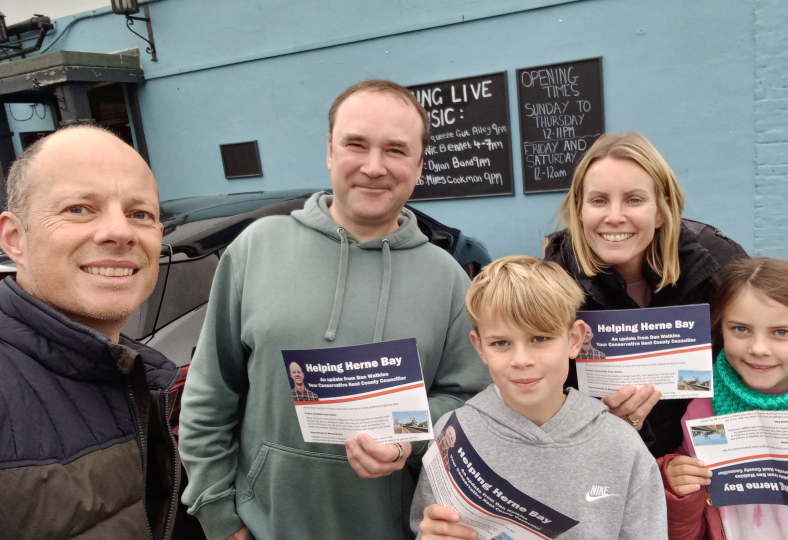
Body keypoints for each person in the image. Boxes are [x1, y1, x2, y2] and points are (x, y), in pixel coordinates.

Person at [178, 80, 491, 540]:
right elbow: (209, 395)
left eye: (396, 150)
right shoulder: (256, 250)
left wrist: (405, 434)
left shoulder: (446, 278)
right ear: (329, 150)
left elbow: (468, 401)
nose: (373, 166)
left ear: (420, 165)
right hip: (263, 527)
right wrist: (220, 518)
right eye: (356, 144)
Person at [0, 125, 180, 539]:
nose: (120, 232)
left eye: (141, 214)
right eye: (79, 208)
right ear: (15, 238)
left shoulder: (156, 382)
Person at [412, 256, 667, 540]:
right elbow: (429, 525)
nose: (521, 360)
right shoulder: (452, 433)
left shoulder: (622, 445)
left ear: (574, 340)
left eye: (539, 338)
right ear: (479, 347)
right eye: (501, 343)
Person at [544, 132, 747, 458]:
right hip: (603, 460)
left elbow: (757, 362)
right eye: (598, 200)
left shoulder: (716, 264)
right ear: (579, 211)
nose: (614, 216)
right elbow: (542, 393)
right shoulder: (555, 278)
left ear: (662, 210)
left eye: (634, 200)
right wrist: (600, 422)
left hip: (700, 460)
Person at [658, 257, 788, 539]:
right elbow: (688, 527)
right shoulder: (703, 406)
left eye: (781, 332)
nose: (759, 348)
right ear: (721, 329)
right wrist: (673, 482)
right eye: (741, 329)